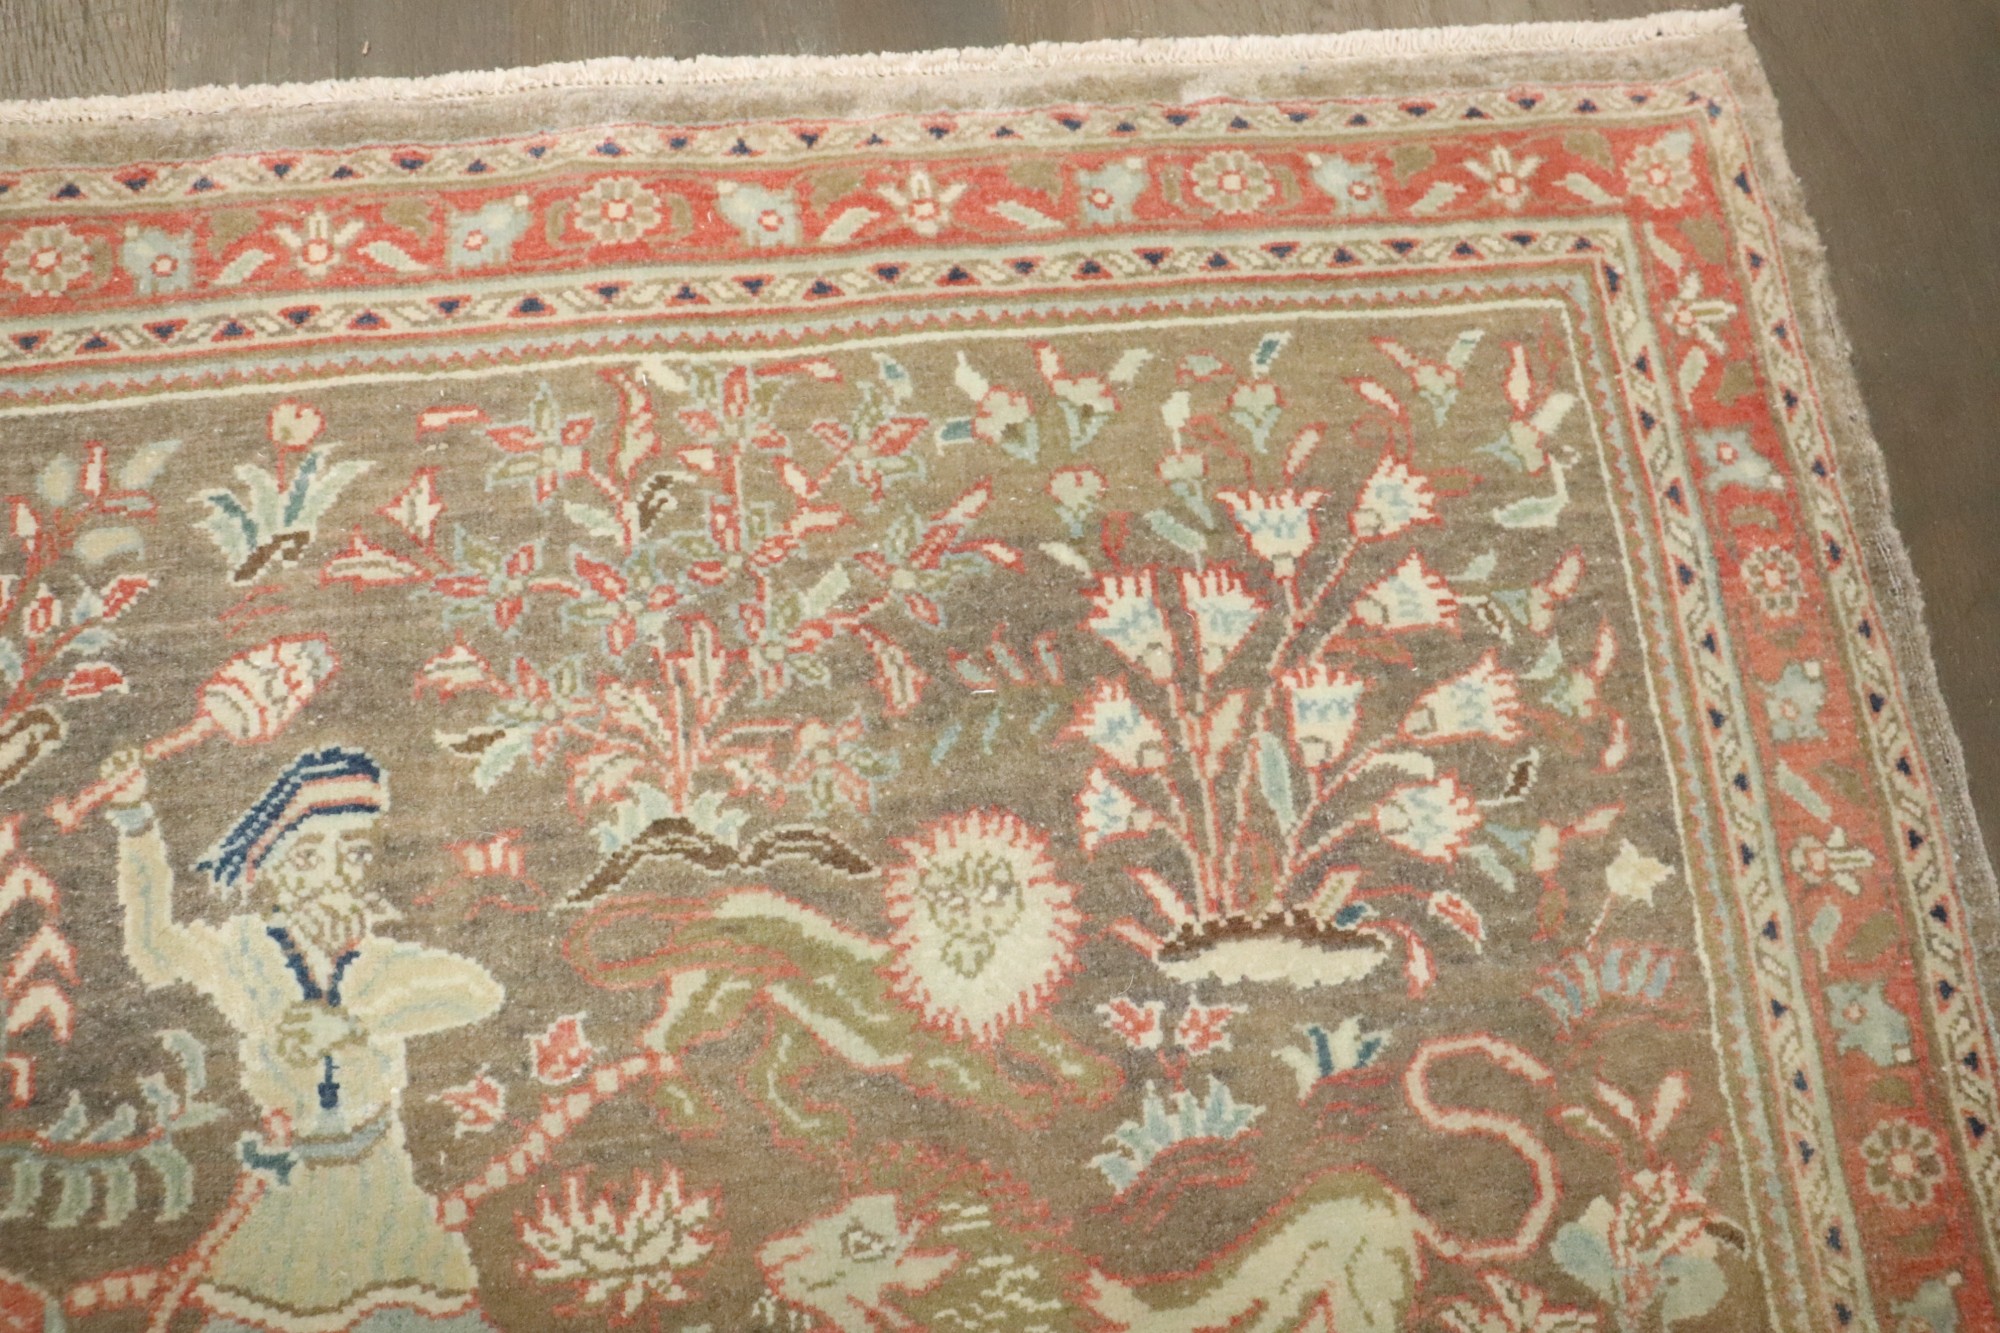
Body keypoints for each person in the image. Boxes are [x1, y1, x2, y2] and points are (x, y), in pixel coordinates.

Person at [101, 745, 505, 1332]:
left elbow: (479, 991)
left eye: (355, 853)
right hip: (290, 1188)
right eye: (311, 854)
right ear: (272, 867)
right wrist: (136, 823)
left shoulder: (378, 959)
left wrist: (354, 1023)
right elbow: (154, 950)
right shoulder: (243, 954)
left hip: (382, 1181)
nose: (337, 873)